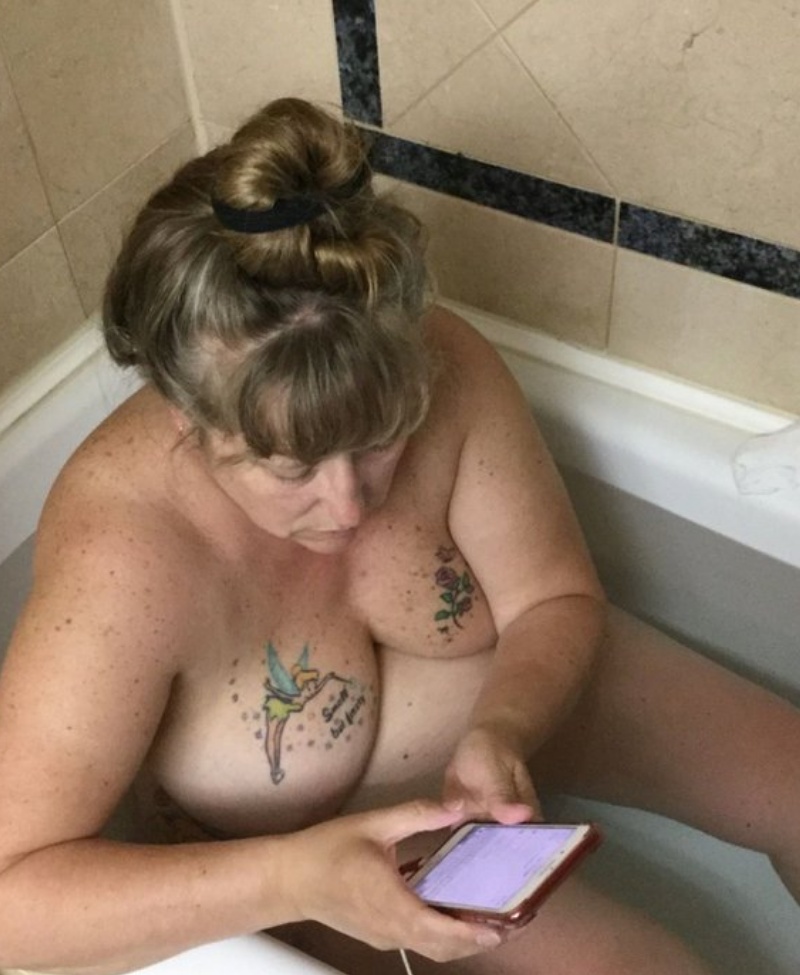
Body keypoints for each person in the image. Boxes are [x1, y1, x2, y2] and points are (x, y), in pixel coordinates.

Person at [0, 96, 797, 975]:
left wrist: (505, 726)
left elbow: (553, 595)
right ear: (188, 419)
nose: (348, 505)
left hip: (501, 716)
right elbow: (12, 901)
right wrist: (293, 880)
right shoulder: (122, 555)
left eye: (381, 438)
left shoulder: (442, 361)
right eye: (292, 468)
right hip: (302, 855)